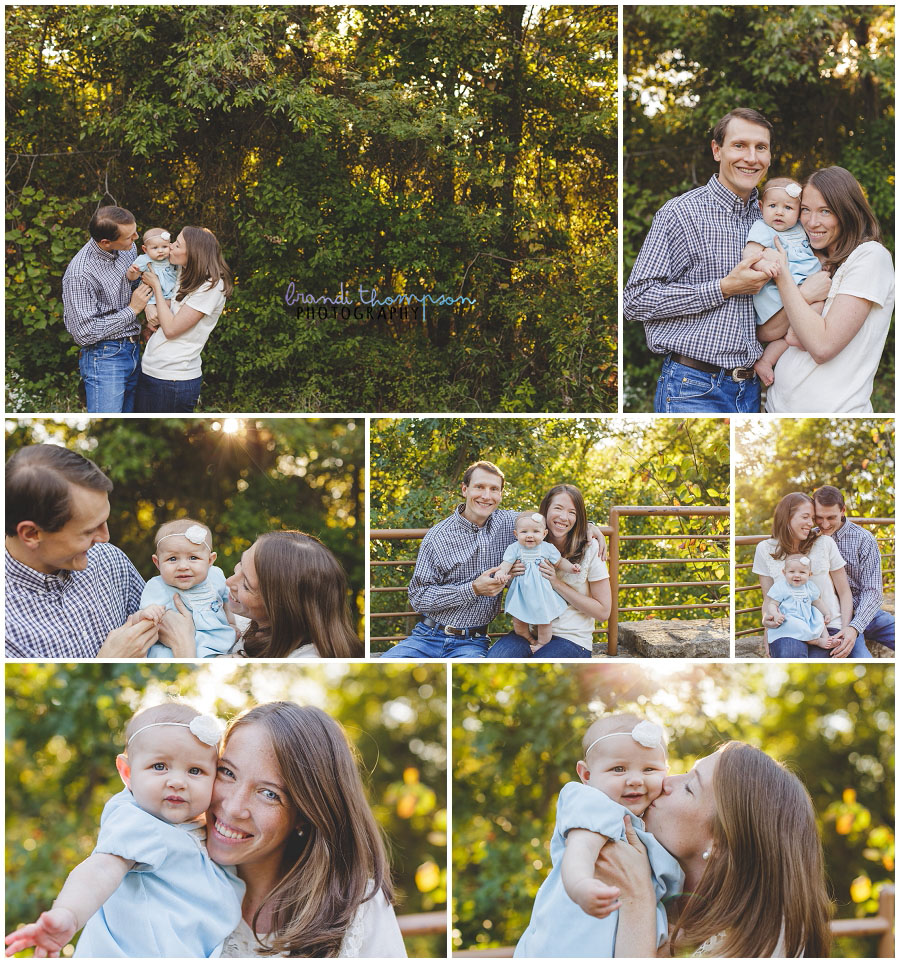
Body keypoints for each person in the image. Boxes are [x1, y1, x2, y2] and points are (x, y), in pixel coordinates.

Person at [4, 703, 243, 957]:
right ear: (127, 773)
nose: (177, 782)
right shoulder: (139, 821)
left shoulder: (209, 830)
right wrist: (68, 914)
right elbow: (101, 870)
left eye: (195, 771)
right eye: (159, 766)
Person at [594, 741, 832, 957]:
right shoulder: (687, 919)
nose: (666, 782)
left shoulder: (763, 950)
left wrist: (636, 899)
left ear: (720, 841)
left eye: (689, 787)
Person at [209, 703, 406, 957]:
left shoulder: (360, 908)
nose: (234, 807)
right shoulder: (167, 868)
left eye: (269, 794)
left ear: (305, 813)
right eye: (227, 772)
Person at [624, 108, 788, 413]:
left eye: (760, 148)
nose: (751, 158)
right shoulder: (680, 214)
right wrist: (724, 288)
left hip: (752, 389)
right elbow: (636, 300)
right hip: (692, 387)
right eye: (739, 145)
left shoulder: (773, 217)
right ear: (717, 150)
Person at [382, 464, 604, 660]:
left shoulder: (510, 524)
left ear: (500, 494)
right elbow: (418, 597)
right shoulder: (438, 536)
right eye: (479, 487)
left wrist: (588, 526)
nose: (486, 496)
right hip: (427, 637)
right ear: (464, 489)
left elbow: (550, 519)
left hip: (472, 641)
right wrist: (472, 589)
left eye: (494, 489)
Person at [515, 715, 682, 958]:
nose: (635, 780)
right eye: (618, 769)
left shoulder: (651, 823)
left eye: (649, 769)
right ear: (586, 775)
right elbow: (580, 852)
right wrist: (581, 885)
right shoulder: (596, 805)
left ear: (665, 772)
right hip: (566, 943)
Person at [4, 444, 169, 658]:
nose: (105, 538)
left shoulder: (109, 559)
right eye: (89, 530)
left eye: (104, 522)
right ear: (32, 534)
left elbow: (173, 630)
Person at [760, 166, 895, 412]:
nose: (812, 222)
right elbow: (766, 332)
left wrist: (783, 275)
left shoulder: (870, 257)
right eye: (806, 210)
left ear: (848, 212)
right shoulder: (811, 261)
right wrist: (803, 293)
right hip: (774, 409)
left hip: (834, 413)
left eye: (825, 211)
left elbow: (822, 347)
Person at [161, 531, 363, 658]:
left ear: (282, 607)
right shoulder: (243, 621)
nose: (229, 582)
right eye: (239, 565)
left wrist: (183, 648)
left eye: (246, 585)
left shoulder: (306, 659)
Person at [488, 484, 611, 659]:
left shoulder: (590, 548)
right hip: (529, 631)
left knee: (538, 671)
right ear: (545, 511)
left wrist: (556, 583)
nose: (563, 517)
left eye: (572, 512)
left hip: (571, 639)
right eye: (558, 508)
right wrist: (509, 573)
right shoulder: (527, 537)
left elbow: (603, 612)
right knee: (496, 660)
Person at [752, 492, 870, 658]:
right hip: (788, 627)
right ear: (787, 517)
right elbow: (769, 600)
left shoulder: (825, 543)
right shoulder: (764, 549)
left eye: (812, 518)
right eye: (805, 517)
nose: (811, 524)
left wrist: (846, 629)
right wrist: (767, 630)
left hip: (828, 625)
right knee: (790, 655)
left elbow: (844, 592)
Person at [62, 205, 152, 412]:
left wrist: (147, 315)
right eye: (130, 236)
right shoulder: (80, 274)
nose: (136, 238)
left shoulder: (127, 251)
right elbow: (84, 333)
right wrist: (132, 310)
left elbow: (134, 287)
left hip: (134, 349)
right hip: (104, 357)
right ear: (106, 242)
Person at [135, 226, 232, 413]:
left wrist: (155, 286)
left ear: (194, 253)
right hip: (150, 369)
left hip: (174, 380)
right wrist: (148, 306)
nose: (170, 246)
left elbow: (171, 329)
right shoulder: (181, 270)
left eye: (177, 245)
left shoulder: (211, 286)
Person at [745, 178, 824, 385]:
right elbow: (749, 256)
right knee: (810, 308)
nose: (779, 212)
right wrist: (764, 266)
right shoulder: (762, 228)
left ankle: (766, 360)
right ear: (761, 207)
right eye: (773, 206)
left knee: (818, 306)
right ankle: (795, 333)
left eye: (788, 207)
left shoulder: (799, 228)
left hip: (806, 286)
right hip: (777, 293)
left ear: (799, 212)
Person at [139, 519, 237, 659]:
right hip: (172, 648)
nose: (183, 566)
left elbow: (225, 601)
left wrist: (231, 623)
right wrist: (149, 612)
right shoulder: (157, 586)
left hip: (217, 642)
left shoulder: (216, 575)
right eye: (172, 559)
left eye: (193, 557)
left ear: (210, 560)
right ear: (157, 562)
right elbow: (145, 614)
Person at [814, 485, 894, 651]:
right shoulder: (810, 538)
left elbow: (873, 591)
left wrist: (855, 626)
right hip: (834, 617)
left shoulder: (864, 539)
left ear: (843, 510)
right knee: (861, 658)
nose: (824, 524)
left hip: (867, 613)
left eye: (831, 517)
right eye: (819, 517)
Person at [494, 510, 580, 653]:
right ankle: (528, 638)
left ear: (544, 533)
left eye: (535, 531)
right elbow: (506, 565)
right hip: (521, 594)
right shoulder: (514, 548)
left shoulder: (547, 548)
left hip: (542, 594)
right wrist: (500, 572)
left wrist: (571, 568)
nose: (529, 535)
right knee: (518, 623)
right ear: (516, 534)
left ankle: (542, 643)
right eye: (524, 532)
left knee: (545, 622)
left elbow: (559, 562)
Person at [763, 553, 832, 648]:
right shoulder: (781, 587)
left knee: (819, 618)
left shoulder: (810, 587)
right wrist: (776, 614)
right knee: (795, 624)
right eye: (791, 572)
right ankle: (815, 641)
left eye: (802, 572)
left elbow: (817, 602)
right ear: (784, 572)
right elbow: (772, 604)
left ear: (809, 574)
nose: (797, 575)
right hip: (790, 617)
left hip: (808, 618)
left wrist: (826, 613)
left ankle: (828, 638)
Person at [129, 227, 178, 332]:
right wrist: (132, 271)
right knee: (160, 311)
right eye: (155, 248)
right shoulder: (145, 259)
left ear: (170, 246)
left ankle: (155, 326)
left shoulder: (171, 258)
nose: (160, 251)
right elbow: (132, 278)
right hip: (152, 296)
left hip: (168, 293)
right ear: (145, 249)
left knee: (171, 308)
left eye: (164, 247)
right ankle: (152, 325)